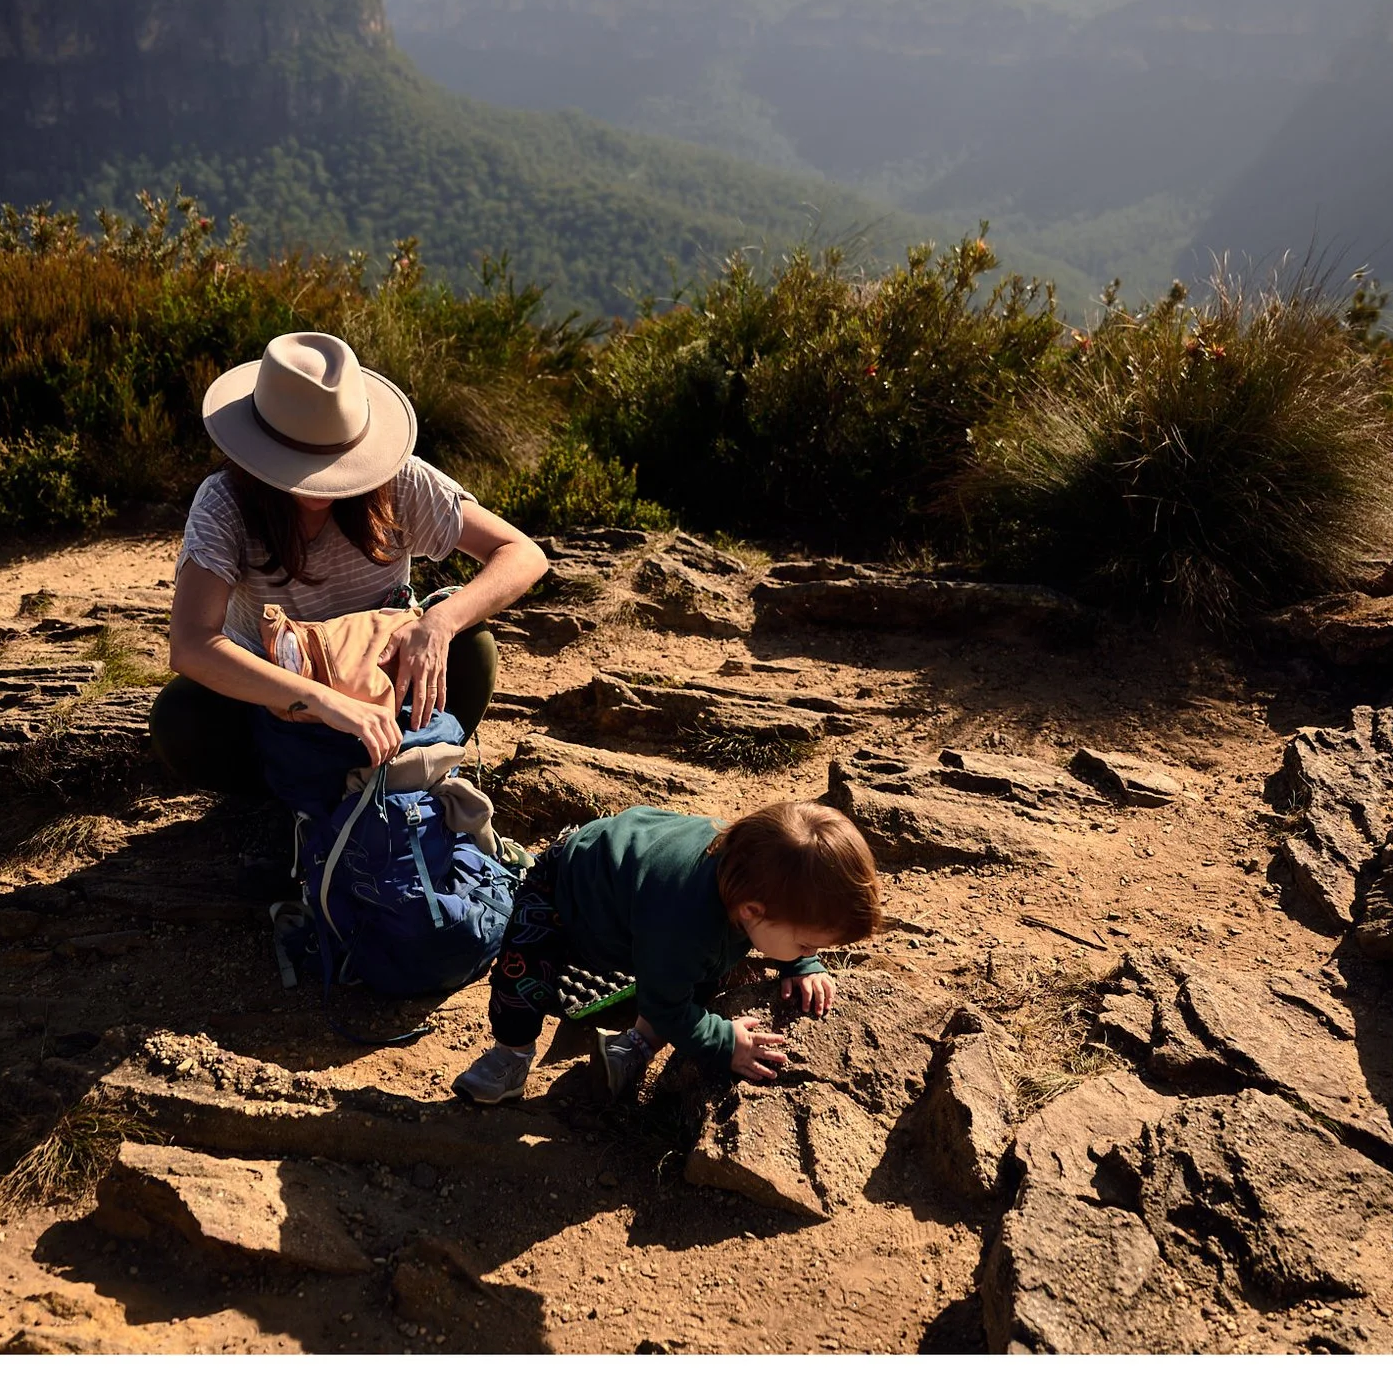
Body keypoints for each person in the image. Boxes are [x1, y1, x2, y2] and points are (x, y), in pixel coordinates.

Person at [152, 330, 550, 806]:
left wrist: (439, 623)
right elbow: (192, 644)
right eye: (300, 462)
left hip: (382, 680)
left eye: (332, 460)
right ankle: (298, 790)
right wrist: (321, 700)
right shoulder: (225, 502)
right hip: (278, 698)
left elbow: (523, 553)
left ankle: (402, 772)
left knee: (472, 647)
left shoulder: (400, 482)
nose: (318, 482)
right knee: (181, 718)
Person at [453, 800, 883, 1105]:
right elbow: (667, 1005)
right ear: (753, 910)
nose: (812, 953)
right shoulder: (685, 921)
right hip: (569, 889)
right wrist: (724, 1041)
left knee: (701, 970)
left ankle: (633, 1046)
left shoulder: (752, 876)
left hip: (643, 900)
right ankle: (510, 1056)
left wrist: (801, 961)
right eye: (807, 945)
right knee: (522, 973)